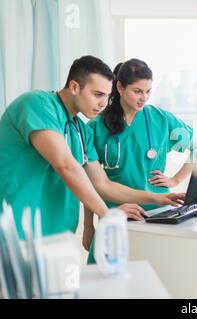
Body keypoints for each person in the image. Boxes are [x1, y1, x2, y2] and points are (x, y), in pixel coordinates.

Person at [0, 55, 185, 239]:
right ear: (74, 87)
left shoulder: (82, 132)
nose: (103, 103)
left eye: (106, 96)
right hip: (13, 232)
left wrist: (159, 198)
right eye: (97, 94)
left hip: (55, 235)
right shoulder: (37, 104)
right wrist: (107, 214)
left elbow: (102, 184)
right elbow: (65, 165)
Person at [83, 59, 194, 262]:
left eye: (148, 91)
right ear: (120, 87)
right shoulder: (96, 127)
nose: (144, 98)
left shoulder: (161, 119)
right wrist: (88, 225)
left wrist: (175, 180)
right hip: (116, 215)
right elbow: (91, 182)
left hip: (160, 214)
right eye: (137, 91)